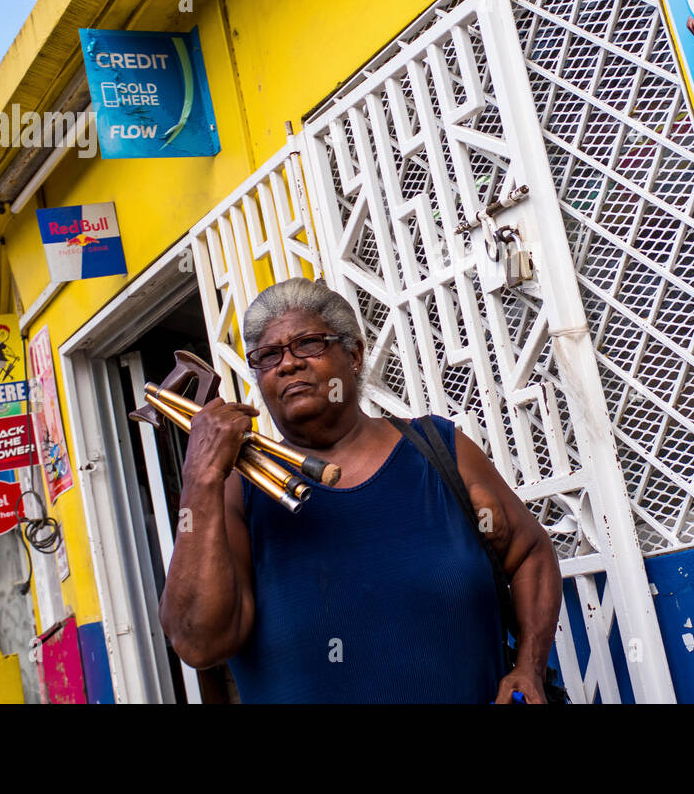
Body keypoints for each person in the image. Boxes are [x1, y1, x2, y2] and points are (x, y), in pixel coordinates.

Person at [158, 278, 562, 703]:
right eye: (268, 355)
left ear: (353, 354)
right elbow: (198, 643)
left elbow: (530, 552)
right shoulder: (240, 491)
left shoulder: (437, 452)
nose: (288, 364)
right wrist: (200, 477)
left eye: (308, 344)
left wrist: (529, 667)